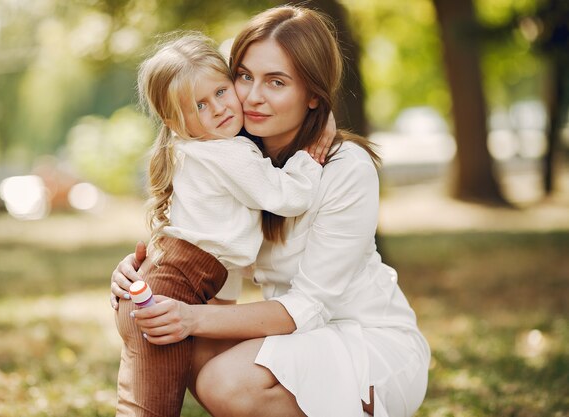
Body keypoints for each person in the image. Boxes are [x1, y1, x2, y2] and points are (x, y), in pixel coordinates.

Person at [111, 6, 431, 417]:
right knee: (185, 348)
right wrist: (147, 274)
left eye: (276, 82)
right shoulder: (236, 154)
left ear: (313, 93)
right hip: (293, 338)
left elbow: (310, 306)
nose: (253, 96)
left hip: (363, 341)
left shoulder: (346, 168)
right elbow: (207, 239)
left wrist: (191, 318)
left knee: (224, 380)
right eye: (244, 77)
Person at [114, 32, 326, 417]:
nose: (217, 109)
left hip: (162, 287)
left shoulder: (195, 148)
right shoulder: (227, 153)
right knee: (149, 410)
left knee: (146, 407)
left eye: (222, 92)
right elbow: (288, 196)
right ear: (174, 121)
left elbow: (216, 250)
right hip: (166, 295)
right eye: (199, 105)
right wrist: (311, 157)